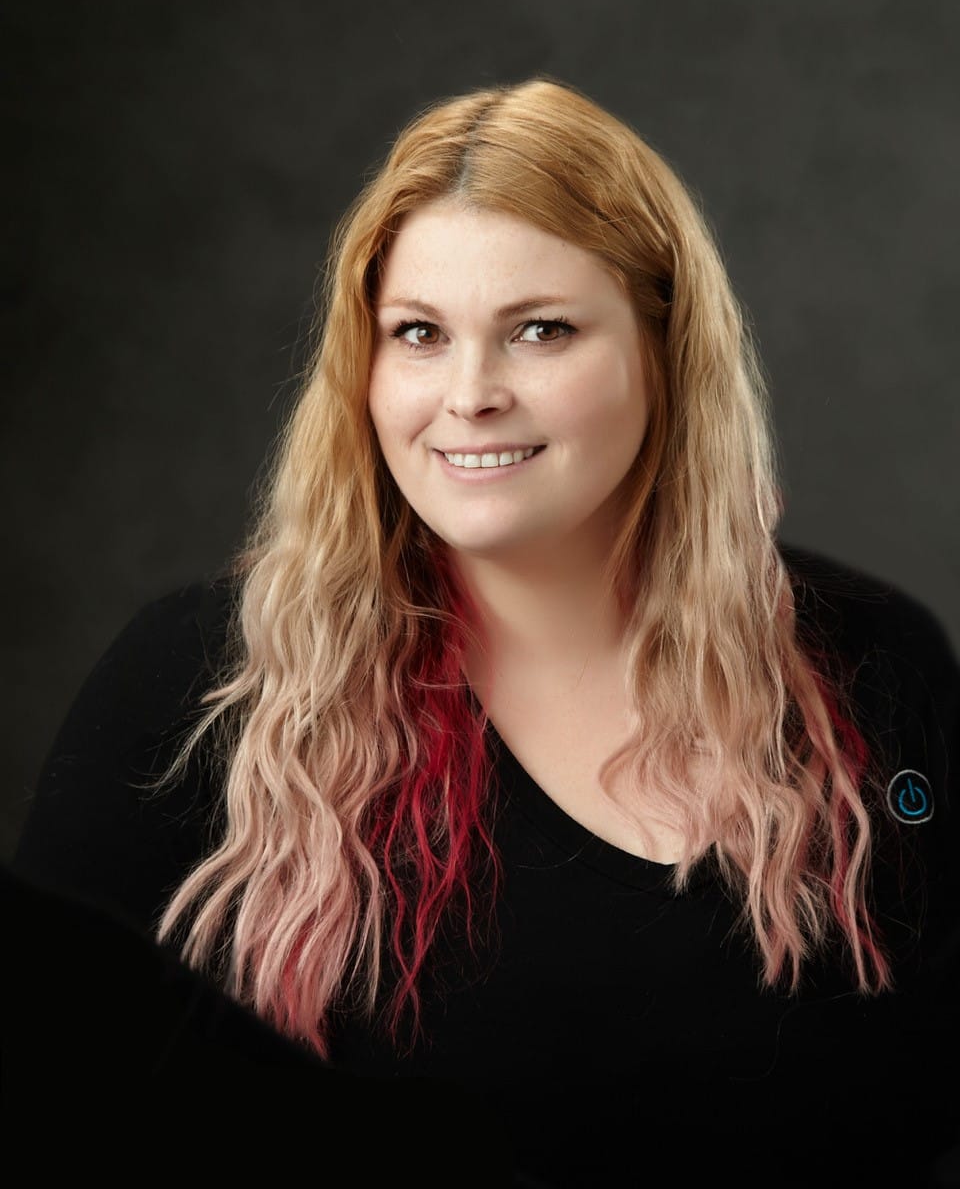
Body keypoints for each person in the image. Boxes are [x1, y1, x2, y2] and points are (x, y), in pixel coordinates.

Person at [9, 77, 960, 1188]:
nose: (469, 394)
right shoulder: (199, 688)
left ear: (665, 351)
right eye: (418, 334)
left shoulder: (872, 670)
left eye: (539, 332)